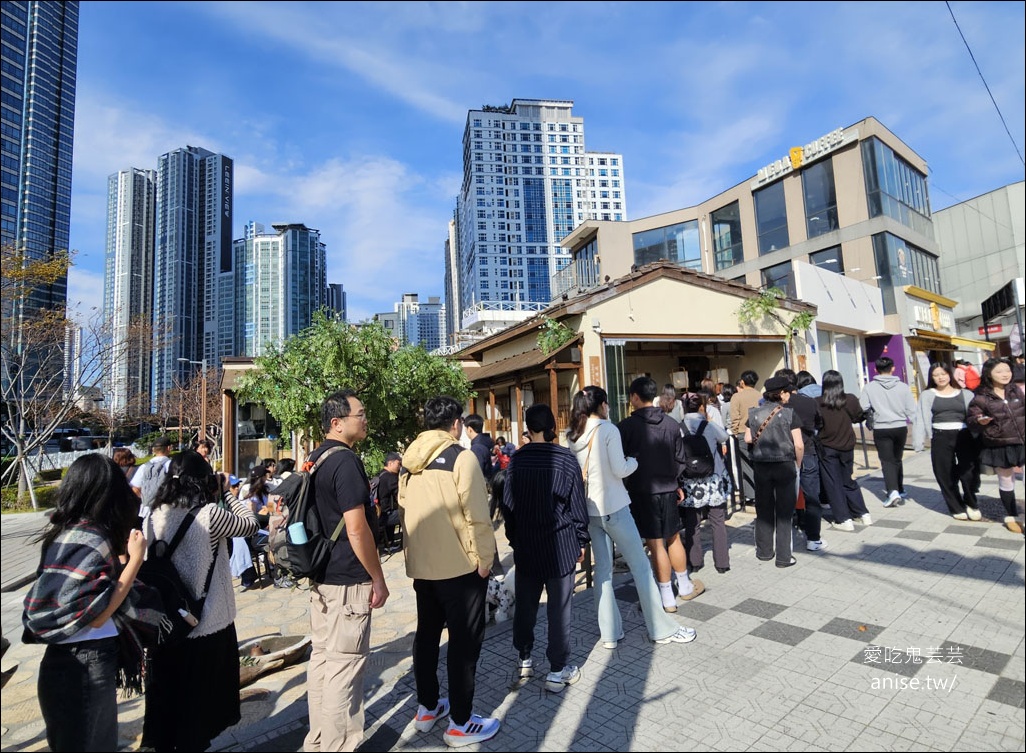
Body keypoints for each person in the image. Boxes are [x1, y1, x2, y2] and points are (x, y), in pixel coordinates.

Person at [22, 454, 151, 752]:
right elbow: (97, 613)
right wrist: (135, 560)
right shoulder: (93, 538)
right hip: (88, 661)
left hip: (58, 659)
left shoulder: (61, 534)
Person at [398, 396, 499, 747]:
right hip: (459, 567)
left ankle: (427, 707)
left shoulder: (408, 462)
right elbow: (477, 515)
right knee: (464, 644)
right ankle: (460, 722)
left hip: (422, 568)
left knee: (426, 637)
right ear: (455, 424)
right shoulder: (462, 457)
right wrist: (485, 560)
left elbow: (403, 508)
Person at [141, 451, 259, 751]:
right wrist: (226, 494)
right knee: (201, 712)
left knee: (173, 707)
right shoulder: (210, 516)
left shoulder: (153, 517)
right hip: (206, 623)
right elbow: (250, 524)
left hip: (167, 627)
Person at [566, 386, 697, 649]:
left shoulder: (572, 435)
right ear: (602, 404)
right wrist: (634, 461)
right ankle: (661, 629)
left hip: (589, 511)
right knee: (640, 566)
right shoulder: (607, 429)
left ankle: (610, 633)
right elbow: (620, 469)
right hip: (614, 506)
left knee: (602, 571)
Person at [302, 390, 388, 752]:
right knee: (345, 669)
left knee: (322, 660)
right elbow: (356, 528)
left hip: (322, 574)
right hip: (348, 580)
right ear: (337, 423)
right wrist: (378, 578)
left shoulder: (315, 458)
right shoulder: (346, 462)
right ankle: (339, 746)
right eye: (360, 414)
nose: (365, 419)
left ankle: (318, 740)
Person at [500, 404, 590, 693]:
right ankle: (556, 669)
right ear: (552, 426)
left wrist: (514, 539)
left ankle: (524, 658)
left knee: (526, 605)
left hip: (527, 545)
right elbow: (577, 506)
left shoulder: (516, 461)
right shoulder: (566, 459)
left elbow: (508, 508)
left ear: (529, 428)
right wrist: (581, 540)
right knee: (559, 607)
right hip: (560, 544)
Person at [618, 376, 703, 612]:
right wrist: (674, 480)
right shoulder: (672, 424)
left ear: (635, 397)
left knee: (656, 544)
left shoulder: (625, 427)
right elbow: (680, 459)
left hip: (641, 491)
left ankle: (666, 596)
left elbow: (619, 461)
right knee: (673, 536)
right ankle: (684, 585)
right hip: (668, 488)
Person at [744, 376, 804, 567]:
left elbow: (747, 438)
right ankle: (784, 557)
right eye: (787, 391)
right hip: (785, 465)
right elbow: (799, 445)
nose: (789, 395)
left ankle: (764, 552)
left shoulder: (753, 413)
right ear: (781, 393)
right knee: (785, 512)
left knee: (764, 509)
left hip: (761, 465)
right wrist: (798, 464)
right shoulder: (789, 414)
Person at [913, 362, 980, 520]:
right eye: (936, 375)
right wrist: (918, 442)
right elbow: (921, 418)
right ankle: (956, 506)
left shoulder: (966, 394)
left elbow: (974, 416)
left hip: (964, 436)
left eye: (943, 374)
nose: (940, 378)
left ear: (950, 374)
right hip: (940, 436)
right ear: (931, 377)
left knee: (969, 472)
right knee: (944, 472)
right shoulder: (928, 394)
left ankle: (971, 502)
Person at [967, 358, 1026, 534]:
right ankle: (1012, 516)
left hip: (1023, 440)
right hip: (999, 444)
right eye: (999, 371)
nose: (1005, 374)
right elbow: (971, 420)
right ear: (989, 374)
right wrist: (980, 420)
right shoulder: (981, 396)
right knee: (1006, 480)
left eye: (1007, 370)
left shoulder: (1015, 390)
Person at [679, 392, 732, 572]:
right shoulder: (708, 425)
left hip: (690, 480)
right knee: (717, 520)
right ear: (701, 406)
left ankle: (695, 562)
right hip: (713, 477)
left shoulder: (679, 427)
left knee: (692, 522)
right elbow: (724, 437)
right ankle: (722, 563)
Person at [776, 368, 827, 552]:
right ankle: (813, 537)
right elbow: (819, 423)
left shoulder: (775, 406)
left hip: (782, 454)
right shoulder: (808, 403)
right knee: (812, 495)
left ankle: (785, 537)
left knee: (784, 495)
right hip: (807, 451)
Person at [817, 370, 871, 531]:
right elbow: (858, 417)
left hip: (827, 447)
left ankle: (843, 519)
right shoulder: (851, 399)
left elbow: (816, 423)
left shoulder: (818, 402)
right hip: (847, 446)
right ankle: (862, 513)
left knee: (833, 483)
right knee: (848, 479)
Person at [860, 357, 916, 507]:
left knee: (887, 461)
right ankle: (900, 488)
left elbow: (863, 406)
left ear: (875, 370)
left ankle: (892, 492)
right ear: (893, 368)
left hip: (881, 427)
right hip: (900, 427)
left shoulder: (869, 387)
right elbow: (911, 410)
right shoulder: (903, 387)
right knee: (897, 458)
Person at [729, 370, 761, 507]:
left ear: (742, 382)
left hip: (742, 433)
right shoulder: (761, 395)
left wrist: (735, 432)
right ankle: (760, 492)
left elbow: (734, 417)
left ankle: (751, 495)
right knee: (758, 464)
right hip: (760, 433)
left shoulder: (737, 396)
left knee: (745, 465)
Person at [131, 435, 173, 514]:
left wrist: (146, 499)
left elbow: (135, 489)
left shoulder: (144, 466)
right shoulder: (171, 465)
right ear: (168, 448)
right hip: (165, 509)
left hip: (145, 509)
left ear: (154, 450)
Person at [376, 451, 403, 552]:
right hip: (385, 517)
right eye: (398, 463)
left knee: (391, 510)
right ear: (390, 463)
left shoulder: (380, 474)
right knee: (407, 513)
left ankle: (389, 541)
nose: (400, 466)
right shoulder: (390, 477)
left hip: (378, 515)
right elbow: (400, 496)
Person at [462, 414, 496, 484]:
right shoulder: (485, 442)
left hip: (482, 485)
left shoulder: (477, 447)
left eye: (465, 429)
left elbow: (476, 472)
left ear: (469, 429)